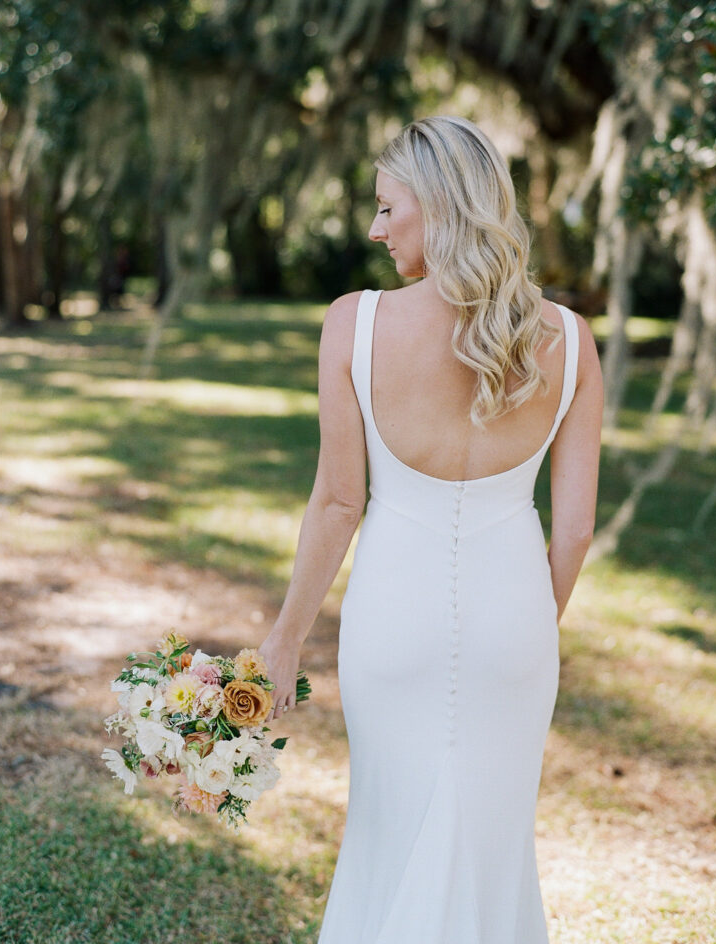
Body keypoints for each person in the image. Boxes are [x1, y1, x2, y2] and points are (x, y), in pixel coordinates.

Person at [259, 115, 603, 943]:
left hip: (392, 621)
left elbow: (341, 503)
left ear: (440, 205)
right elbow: (577, 531)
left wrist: (284, 639)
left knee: (387, 835)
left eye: (387, 208)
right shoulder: (571, 340)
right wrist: (527, 629)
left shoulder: (355, 322)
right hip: (517, 626)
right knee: (492, 852)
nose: (376, 229)